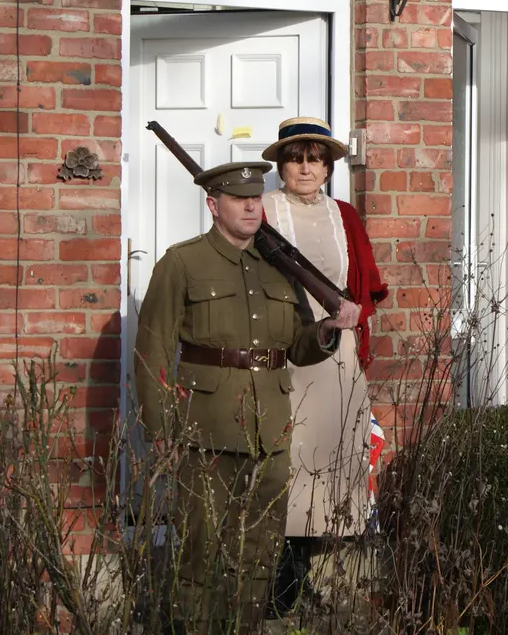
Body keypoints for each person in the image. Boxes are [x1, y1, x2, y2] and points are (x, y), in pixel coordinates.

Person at [132, 161, 355, 632]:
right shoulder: (182, 263)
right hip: (206, 430)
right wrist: (162, 435)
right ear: (214, 206)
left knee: (259, 552)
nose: (253, 206)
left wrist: (328, 331)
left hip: (270, 429)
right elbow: (152, 352)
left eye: (256, 198)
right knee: (200, 552)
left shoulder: (277, 266)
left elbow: (296, 344)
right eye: (239, 199)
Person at [257, 116, 388, 615]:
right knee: (285, 465)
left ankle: (309, 577)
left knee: (332, 469)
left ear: (329, 166)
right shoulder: (263, 211)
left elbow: (367, 287)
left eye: (315, 158)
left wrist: (356, 314)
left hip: (338, 359)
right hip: (283, 355)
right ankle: (277, 582)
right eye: (296, 158)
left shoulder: (345, 216)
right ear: (281, 165)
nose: (306, 167)